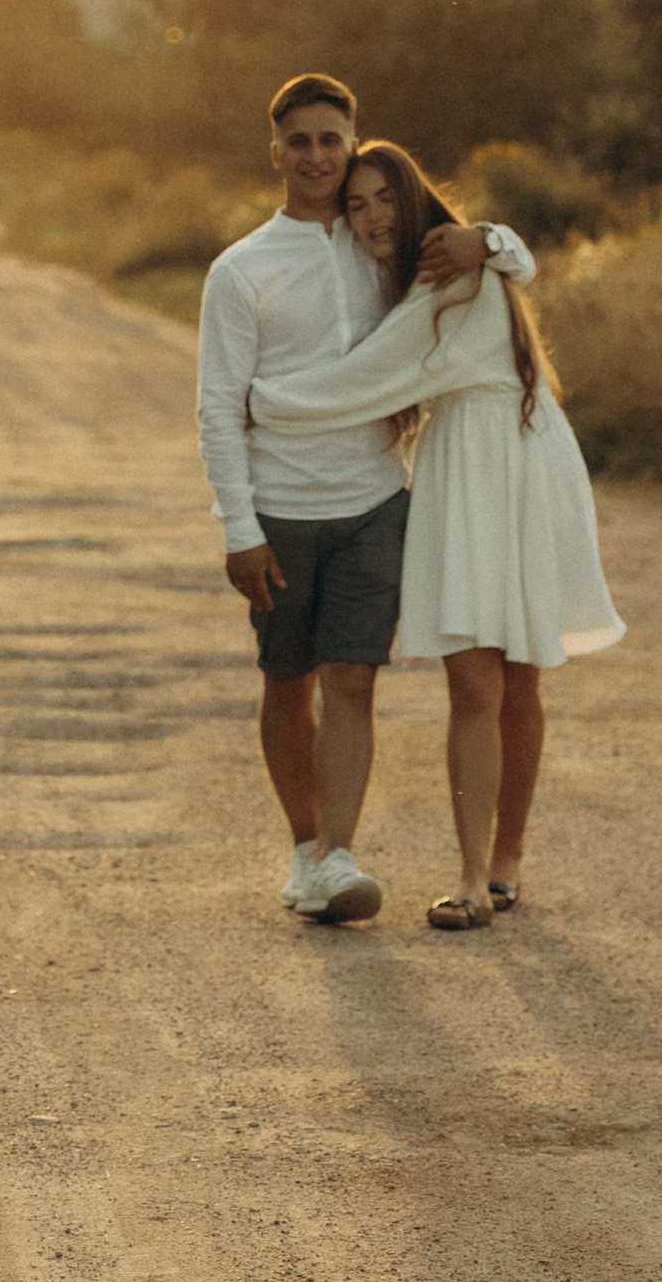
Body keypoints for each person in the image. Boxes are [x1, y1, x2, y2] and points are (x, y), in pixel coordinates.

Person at [248, 140, 623, 930]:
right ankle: (476, 876)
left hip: (516, 462)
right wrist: (490, 238)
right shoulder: (432, 279)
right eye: (357, 205)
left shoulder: (456, 272)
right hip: (463, 465)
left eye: (385, 197)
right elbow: (386, 358)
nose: (373, 215)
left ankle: (502, 864)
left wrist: (260, 402)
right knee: (477, 682)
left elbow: (366, 380)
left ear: (415, 199)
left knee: (518, 677)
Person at [196, 73, 535, 925]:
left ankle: (339, 857)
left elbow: (502, 268)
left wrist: (487, 237)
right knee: (287, 680)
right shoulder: (240, 271)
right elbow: (216, 407)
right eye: (299, 141)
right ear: (276, 153)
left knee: (353, 679)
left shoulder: (386, 243)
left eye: (331, 140)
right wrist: (240, 527)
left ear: (353, 146)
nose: (316, 156)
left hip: (377, 501)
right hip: (279, 507)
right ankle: (307, 849)